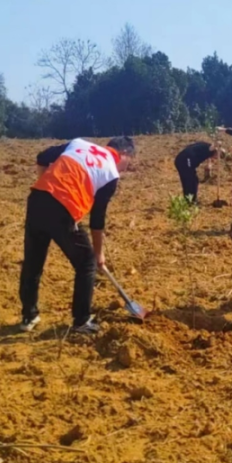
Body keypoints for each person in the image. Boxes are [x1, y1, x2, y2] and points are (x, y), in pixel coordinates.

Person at [18, 136, 137, 334]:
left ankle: (28, 316)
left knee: (33, 262)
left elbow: (42, 157)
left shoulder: (79, 143)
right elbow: (97, 220)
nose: (126, 168)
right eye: (129, 161)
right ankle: (81, 321)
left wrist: (47, 188)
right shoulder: (111, 172)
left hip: (37, 199)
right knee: (86, 262)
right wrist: (98, 254)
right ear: (124, 154)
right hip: (63, 208)